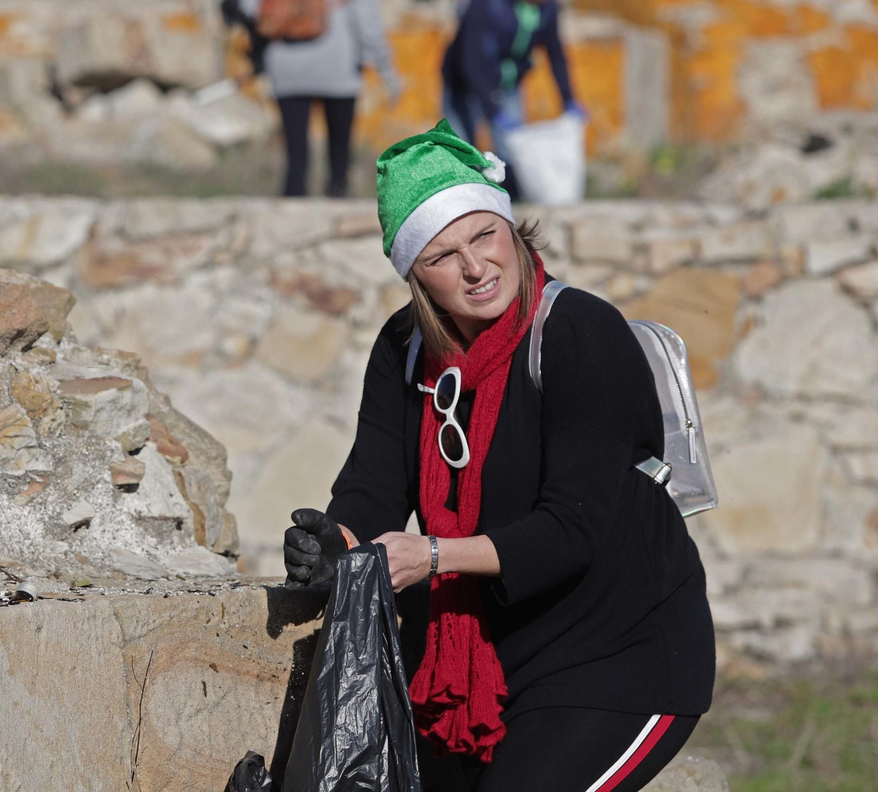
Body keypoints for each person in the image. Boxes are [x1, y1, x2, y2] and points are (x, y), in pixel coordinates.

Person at [283, 120, 714, 792]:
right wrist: (335, 544)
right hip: (475, 664)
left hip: (617, 658)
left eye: (484, 235)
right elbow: (374, 486)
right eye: (442, 255)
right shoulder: (404, 351)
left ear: (510, 229)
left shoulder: (578, 332)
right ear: (415, 274)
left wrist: (430, 558)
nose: (476, 267)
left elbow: (574, 529)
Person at [240, 0, 397, 197]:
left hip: (285, 61)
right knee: (338, 158)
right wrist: (384, 68)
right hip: (338, 64)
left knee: (296, 159)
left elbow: (249, 1)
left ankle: (290, 220)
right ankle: (334, 207)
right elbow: (366, 20)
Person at [440, 0, 583, 198]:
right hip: (465, 82)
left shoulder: (546, 7)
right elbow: (473, 62)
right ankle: (460, 203)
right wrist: (492, 109)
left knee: (510, 155)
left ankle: (509, 208)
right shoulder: (486, 2)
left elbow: (555, 54)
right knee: (461, 149)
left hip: (508, 84)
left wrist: (569, 100)